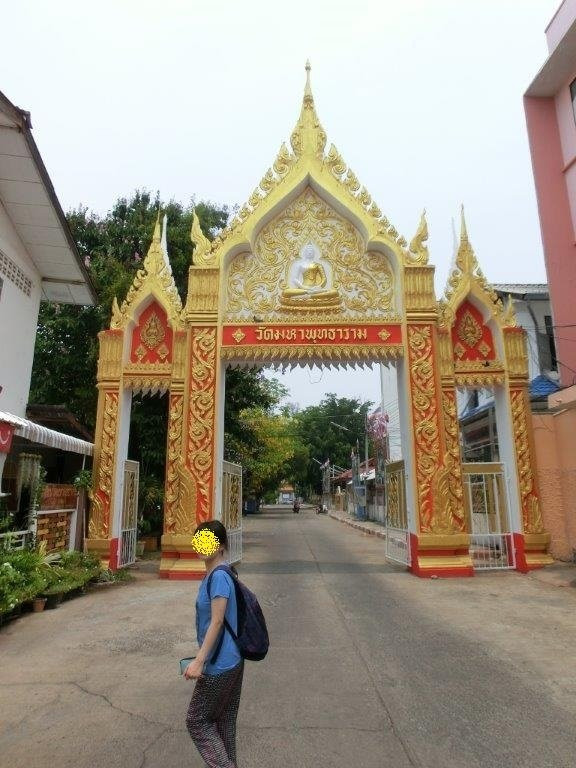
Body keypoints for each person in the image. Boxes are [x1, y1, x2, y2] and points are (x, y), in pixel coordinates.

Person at [185, 520, 244, 768]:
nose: (201, 545)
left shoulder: (219, 577)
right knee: (224, 722)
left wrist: (199, 661)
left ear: (220, 546)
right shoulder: (220, 572)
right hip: (233, 660)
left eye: (207, 540)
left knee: (196, 721)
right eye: (198, 539)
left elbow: (217, 622)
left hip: (219, 664)